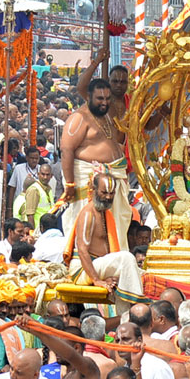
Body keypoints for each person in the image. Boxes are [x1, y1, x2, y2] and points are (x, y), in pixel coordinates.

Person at [60, 78, 132, 253]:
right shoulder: (79, 117)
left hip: (112, 177)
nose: (104, 102)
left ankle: (114, 261)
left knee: (116, 223)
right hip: (89, 180)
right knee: (91, 224)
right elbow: (67, 150)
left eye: (107, 99)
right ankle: (86, 264)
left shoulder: (106, 115)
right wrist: (69, 184)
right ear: (89, 96)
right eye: (100, 98)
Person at [64, 173, 142, 310]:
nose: (108, 197)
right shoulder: (89, 213)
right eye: (104, 192)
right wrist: (96, 280)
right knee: (126, 258)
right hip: (82, 270)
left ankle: (126, 318)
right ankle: (138, 307)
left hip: (97, 266)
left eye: (112, 193)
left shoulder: (104, 212)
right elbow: (82, 250)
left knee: (138, 272)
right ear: (94, 190)